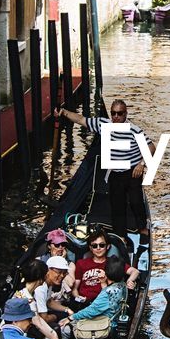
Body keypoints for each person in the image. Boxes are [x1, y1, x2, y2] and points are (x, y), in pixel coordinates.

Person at [58, 100, 150, 242]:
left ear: (125, 114)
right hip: (115, 172)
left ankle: (143, 229)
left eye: (119, 113)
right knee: (117, 204)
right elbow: (81, 119)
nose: (116, 117)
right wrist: (64, 112)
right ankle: (121, 236)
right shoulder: (104, 125)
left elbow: (151, 147)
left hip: (132, 171)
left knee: (136, 201)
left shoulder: (134, 130)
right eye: (113, 113)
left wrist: (141, 164)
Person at [65, 226, 139, 304]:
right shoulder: (81, 263)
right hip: (84, 302)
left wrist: (129, 281)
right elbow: (75, 288)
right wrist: (78, 298)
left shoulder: (113, 262)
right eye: (94, 246)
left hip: (106, 301)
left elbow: (135, 272)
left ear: (108, 246)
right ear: (90, 248)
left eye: (102, 245)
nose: (98, 248)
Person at [62, 257, 128, 338]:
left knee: (63, 328)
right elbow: (109, 301)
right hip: (114, 321)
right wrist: (103, 283)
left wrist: (71, 317)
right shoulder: (122, 285)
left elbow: (92, 311)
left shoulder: (107, 292)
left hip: (105, 326)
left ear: (106, 272)